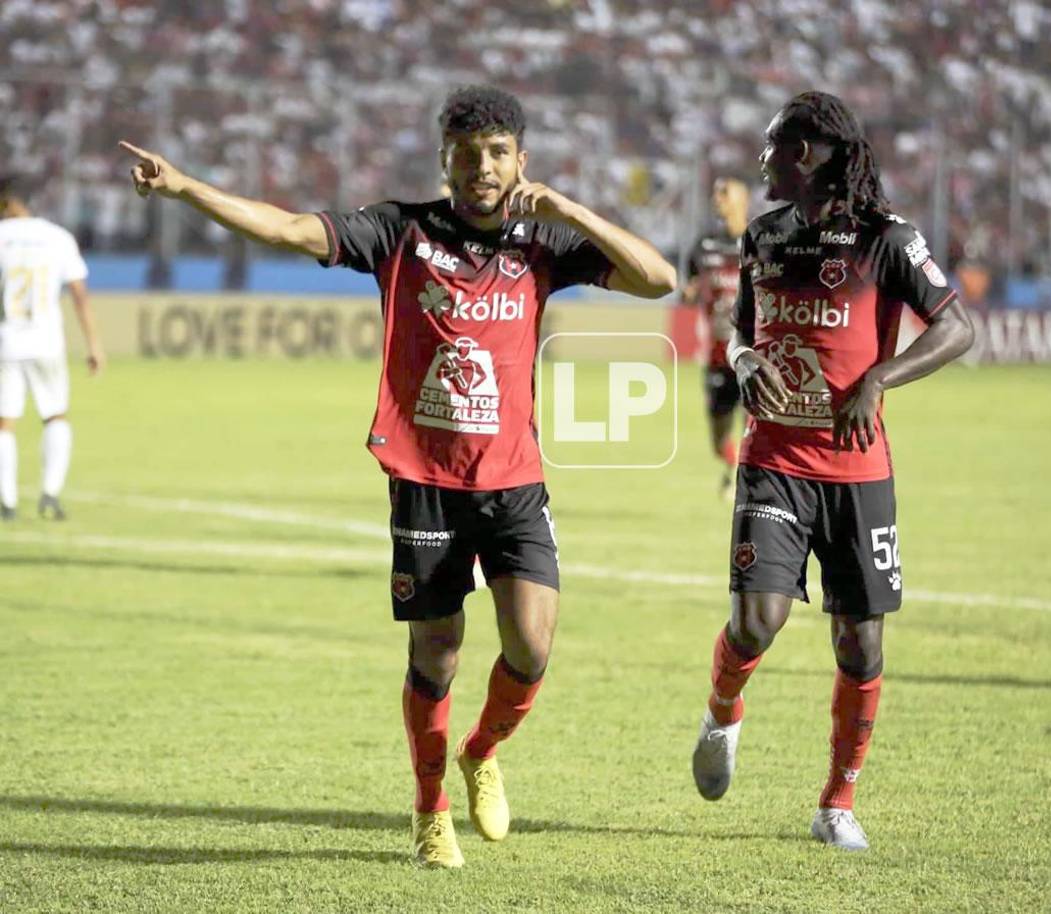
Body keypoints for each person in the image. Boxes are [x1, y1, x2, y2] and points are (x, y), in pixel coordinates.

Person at [120, 85, 676, 869]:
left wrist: (568, 208)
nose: (482, 167)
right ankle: (430, 808)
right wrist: (184, 188)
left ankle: (481, 752)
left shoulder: (540, 244)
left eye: (498, 153)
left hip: (514, 480)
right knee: (438, 654)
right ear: (444, 158)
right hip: (424, 482)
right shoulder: (399, 230)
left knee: (533, 646)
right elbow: (284, 227)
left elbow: (657, 278)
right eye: (467, 152)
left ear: (521, 160)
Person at [689, 91, 974, 850]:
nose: (762, 161)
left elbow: (957, 326)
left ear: (810, 152)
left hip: (857, 470)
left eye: (774, 147)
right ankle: (723, 709)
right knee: (758, 623)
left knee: (862, 646)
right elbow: (741, 331)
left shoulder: (887, 239)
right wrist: (746, 358)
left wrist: (879, 379)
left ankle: (836, 804)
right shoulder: (763, 237)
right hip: (774, 459)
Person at [0, 176, 105, 522]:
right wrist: (93, 344)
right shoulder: (57, 237)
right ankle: (50, 495)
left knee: (4, 423)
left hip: (5, 341)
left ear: (8, 204)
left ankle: (8, 502)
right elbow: (79, 294)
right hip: (46, 341)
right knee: (55, 414)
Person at [682, 177, 750, 500]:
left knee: (757, 425)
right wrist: (689, 293)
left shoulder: (760, 243)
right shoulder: (703, 246)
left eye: (725, 191)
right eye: (716, 191)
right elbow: (690, 288)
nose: (717, 197)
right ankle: (732, 467)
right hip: (717, 354)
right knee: (718, 439)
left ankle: (750, 484)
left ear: (744, 199)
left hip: (754, 353)